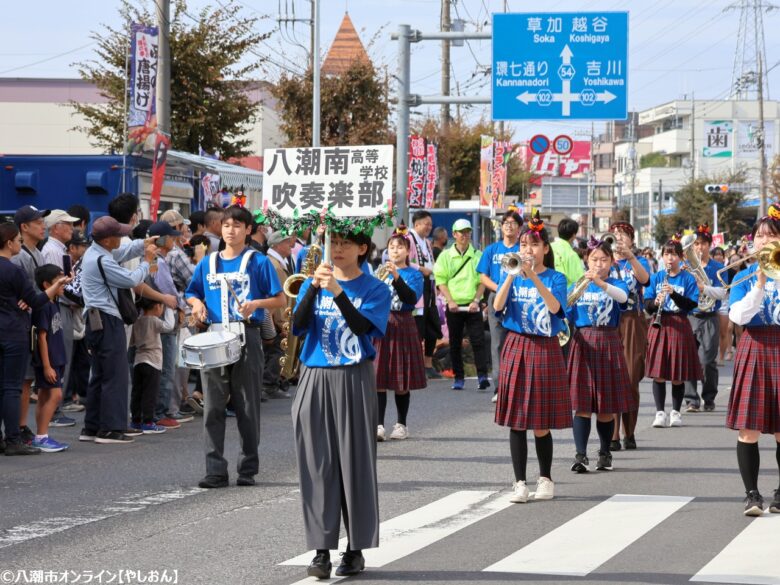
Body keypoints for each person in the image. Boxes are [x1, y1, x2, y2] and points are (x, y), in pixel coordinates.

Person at [291, 229, 391, 580]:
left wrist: (337, 293)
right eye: (335, 243)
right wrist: (315, 288)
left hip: (353, 376)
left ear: (363, 248)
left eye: (347, 243)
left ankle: (355, 548)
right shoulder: (314, 281)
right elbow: (297, 326)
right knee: (316, 464)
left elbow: (364, 328)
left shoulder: (376, 288)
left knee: (354, 464)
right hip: (314, 374)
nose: (339, 249)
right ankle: (320, 550)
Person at [186, 205, 285, 489]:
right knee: (213, 407)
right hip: (215, 337)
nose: (231, 230)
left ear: (249, 230)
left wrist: (256, 304)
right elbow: (192, 292)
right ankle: (215, 470)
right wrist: (197, 304)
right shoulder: (208, 262)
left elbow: (279, 299)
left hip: (247, 336)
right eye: (226, 225)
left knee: (247, 406)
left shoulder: (259, 261)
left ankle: (247, 469)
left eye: (237, 225)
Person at [493, 212, 570, 503]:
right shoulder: (510, 272)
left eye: (534, 245)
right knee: (517, 419)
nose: (528, 250)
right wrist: (512, 277)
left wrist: (534, 277)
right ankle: (520, 482)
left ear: (545, 250)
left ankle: (546, 477)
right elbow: (498, 307)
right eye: (524, 245)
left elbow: (555, 309)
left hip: (545, 347)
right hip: (516, 344)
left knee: (541, 420)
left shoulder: (557, 278)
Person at [80, 216, 160, 444]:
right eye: (119, 235)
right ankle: (110, 429)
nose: (122, 237)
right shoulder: (101, 260)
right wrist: (147, 260)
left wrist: (142, 244)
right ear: (107, 240)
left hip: (96, 320)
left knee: (100, 374)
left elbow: (122, 253)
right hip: (107, 320)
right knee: (115, 375)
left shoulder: (95, 253)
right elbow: (131, 279)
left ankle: (92, 426)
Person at [725, 205, 780, 516]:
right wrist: (759, 282)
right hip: (755, 345)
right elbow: (737, 316)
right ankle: (752, 494)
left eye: (771, 236)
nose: (764, 242)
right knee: (749, 429)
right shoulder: (745, 274)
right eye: (760, 237)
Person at [566, 237, 634, 473]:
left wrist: (601, 283)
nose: (598, 263)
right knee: (582, 404)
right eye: (594, 259)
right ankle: (580, 454)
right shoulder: (577, 284)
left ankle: (605, 452)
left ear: (611, 261)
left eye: (604, 259)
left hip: (607, 340)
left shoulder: (617, 283)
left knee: (605, 405)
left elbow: (623, 299)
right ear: (586, 260)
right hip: (582, 341)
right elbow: (565, 311)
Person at [0, 223, 69, 456]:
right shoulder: (13, 271)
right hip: (13, 333)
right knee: (11, 388)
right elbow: (35, 300)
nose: (20, 244)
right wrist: (56, 286)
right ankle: (12, 439)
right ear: (9, 243)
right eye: (18, 240)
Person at [643, 236, 702, 430]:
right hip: (660, 323)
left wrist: (673, 294)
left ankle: (676, 411)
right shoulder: (656, 277)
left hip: (679, 323)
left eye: (674, 254)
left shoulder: (688, 278)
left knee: (678, 372)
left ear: (680, 257)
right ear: (662, 256)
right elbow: (647, 306)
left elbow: (692, 304)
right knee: (658, 372)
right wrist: (656, 302)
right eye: (667, 254)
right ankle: (660, 412)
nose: (670, 258)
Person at [374, 228, 426, 442]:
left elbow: (410, 298)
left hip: (403, 322)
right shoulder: (379, 270)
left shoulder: (414, 274)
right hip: (381, 322)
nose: (395, 251)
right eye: (391, 247)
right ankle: (377, 424)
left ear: (408, 251)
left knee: (400, 378)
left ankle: (401, 423)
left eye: (400, 247)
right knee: (378, 377)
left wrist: (396, 276)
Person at [607, 222, 651, 451]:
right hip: (609, 321)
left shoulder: (639, 261)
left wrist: (631, 257)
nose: (619, 239)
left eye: (623, 235)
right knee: (612, 377)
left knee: (631, 376)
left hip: (632, 319)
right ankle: (612, 435)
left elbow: (644, 280)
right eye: (615, 235)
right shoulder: (605, 259)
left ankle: (629, 431)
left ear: (632, 240)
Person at [11, 205, 54, 441]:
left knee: (27, 379)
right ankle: (18, 427)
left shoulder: (37, 253)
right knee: (21, 380)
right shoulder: (18, 257)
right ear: (24, 227)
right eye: (38, 222)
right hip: (21, 327)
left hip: (35, 324)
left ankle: (21, 425)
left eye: (43, 221)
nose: (43, 225)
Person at [434, 218, 488, 391]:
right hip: (454, 305)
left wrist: (476, 300)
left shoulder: (478, 255)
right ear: (454, 234)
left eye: (467, 232)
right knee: (455, 343)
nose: (465, 235)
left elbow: (483, 281)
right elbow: (441, 280)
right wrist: (450, 300)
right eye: (461, 232)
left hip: (472, 304)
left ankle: (482, 376)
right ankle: (458, 378)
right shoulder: (445, 256)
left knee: (478, 341)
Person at [477, 210, 522, 401]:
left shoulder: (523, 249)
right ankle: (499, 388)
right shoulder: (491, 250)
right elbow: (482, 276)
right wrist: (499, 289)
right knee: (497, 343)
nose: (509, 225)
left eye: (513, 222)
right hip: (496, 296)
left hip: (519, 297)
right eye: (505, 222)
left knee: (518, 340)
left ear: (520, 228)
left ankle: (517, 385)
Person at [41, 209, 81, 418]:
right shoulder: (52, 251)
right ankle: (54, 410)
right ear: (56, 227)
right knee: (59, 356)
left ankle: (57, 408)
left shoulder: (60, 249)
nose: (72, 228)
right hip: (59, 307)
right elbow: (57, 286)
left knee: (64, 356)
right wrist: (74, 298)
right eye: (68, 224)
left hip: (65, 307)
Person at [684, 224, 728, 412]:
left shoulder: (718, 267)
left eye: (702, 244)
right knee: (689, 358)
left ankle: (709, 397)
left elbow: (722, 293)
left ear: (709, 245)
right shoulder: (687, 267)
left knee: (708, 360)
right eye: (696, 244)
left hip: (710, 317)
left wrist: (704, 288)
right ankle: (691, 399)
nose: (699, 247)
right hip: (691, 315)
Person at [31, 264, 72, 453]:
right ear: (47, 284)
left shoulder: (53, 302)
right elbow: (41, 336)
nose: (63, 284)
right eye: (59, 280)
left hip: (56, 358)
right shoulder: (44, 305)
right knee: (55, 395)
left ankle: (40, 435)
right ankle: (41, 436)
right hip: (49, 360)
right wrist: (47, 365)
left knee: (44, 396)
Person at [130, 296, 175, 434]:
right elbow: (169, 326)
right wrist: (170, 309)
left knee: (137, 392)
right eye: (162, 307)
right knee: (150, 393)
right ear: (157, 306)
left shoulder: (137, 322)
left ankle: (136, 420)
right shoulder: (155, 321)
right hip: (153, 362)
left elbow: (131, 342)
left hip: (138, 360)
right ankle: (148, 422)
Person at [408, 211, 443, 379]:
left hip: (429, 287)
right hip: (416, 287)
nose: (429, 227)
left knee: (431, 327)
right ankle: (415, 365)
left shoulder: (427, 243)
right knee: (417, 328)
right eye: (425, 223)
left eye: (430, 224)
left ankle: (428, 364)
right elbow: (401, 259)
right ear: (416, 224)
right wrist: (421, 269)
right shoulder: (408, 239)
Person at [263, 230, 295, 399]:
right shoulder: (275, 264)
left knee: (275, 351)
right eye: (286, 242)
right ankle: (269, 385)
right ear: (276, 245)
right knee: (276, 351)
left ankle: (272, 383)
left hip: (272, 315)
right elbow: (278, 295)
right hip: (274, 316)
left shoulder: (276, 261)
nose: (290, 244)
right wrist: (282, 321)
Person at [550, 218, 584, 287]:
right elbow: (580, 281)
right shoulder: (571, 254)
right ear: (574, 235)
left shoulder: (547, 248)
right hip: (564, 294)